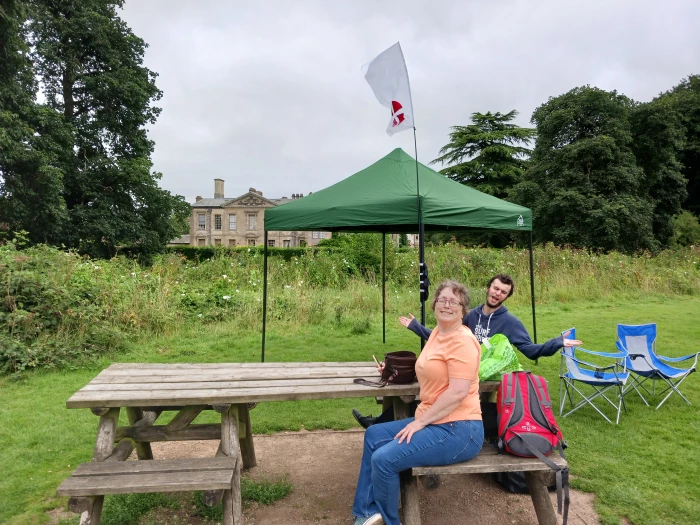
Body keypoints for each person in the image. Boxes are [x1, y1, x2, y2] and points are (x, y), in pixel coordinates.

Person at [352, 274, 582, 428]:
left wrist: (557, 343)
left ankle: (381, 424)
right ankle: (382, 423)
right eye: (495, 288)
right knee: (423, 394)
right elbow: (444, 336)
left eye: (503, 292)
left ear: (507, 296)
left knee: (439, 402)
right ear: (488, 288)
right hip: (459, 374)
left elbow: (531, 351)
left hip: (480, 380)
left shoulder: (511, 323)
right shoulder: (470, 315)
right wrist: (417, 327)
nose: (497, 293)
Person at [351, 280, 483, 525]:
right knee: (373, 435)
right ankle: (367, 513)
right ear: (434, 304)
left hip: (461, 429)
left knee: (384, 459)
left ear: (463, 310)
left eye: (454, 301)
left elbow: (457, 392)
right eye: (442, 299)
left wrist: (419, 422)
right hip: (436, 421)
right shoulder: (437, 333)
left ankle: (390, 522)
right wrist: (391, 370)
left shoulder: (462, 341)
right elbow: (428, 370)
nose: (447, 305)